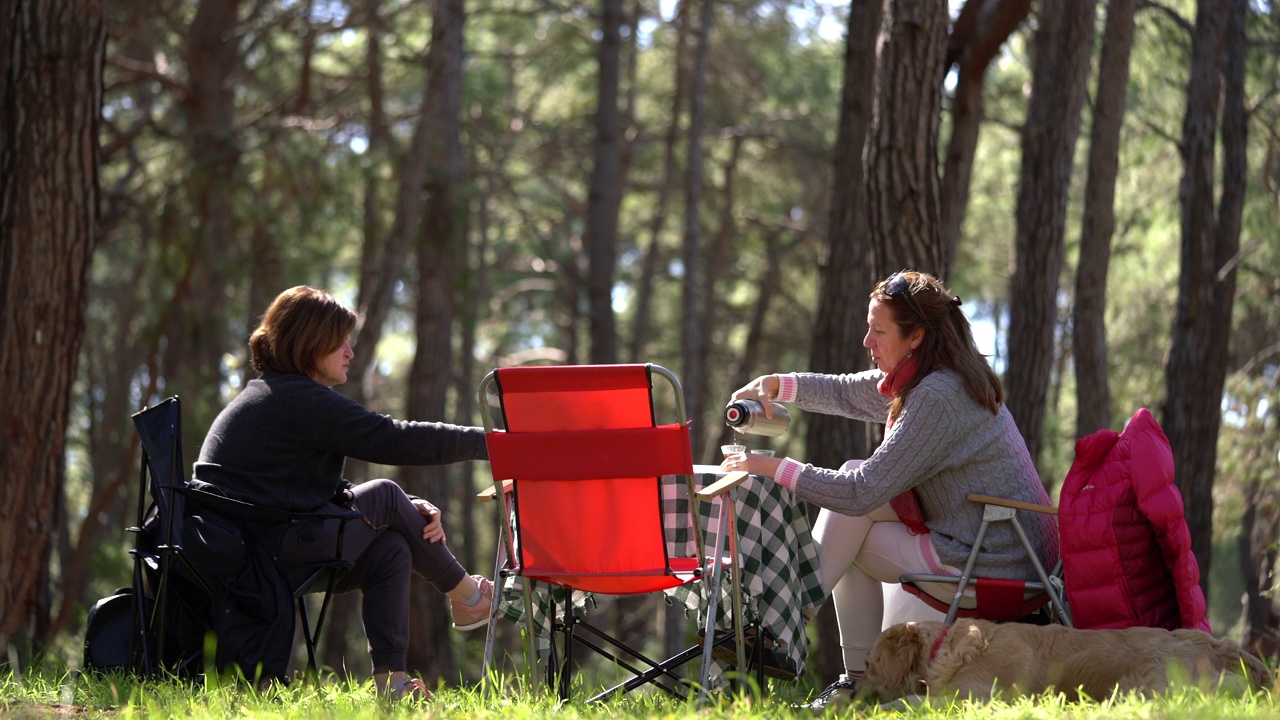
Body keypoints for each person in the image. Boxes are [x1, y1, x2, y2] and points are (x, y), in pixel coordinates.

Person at [719, 270, 1058, 711]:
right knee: (855, 495)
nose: (867, 341)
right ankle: (803, 638)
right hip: (996, 545)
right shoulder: (936, 376)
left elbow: (861, 493)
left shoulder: (937, 396)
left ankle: (801, 641)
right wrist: (778, 385)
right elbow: (849, 393)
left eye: (878, 331)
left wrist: (770, 466)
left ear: (915, 335)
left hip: (994, 563)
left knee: (855, 509)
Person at [192, 285, 492, 701]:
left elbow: (284, 486)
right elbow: (394, 439)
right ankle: (470, 597)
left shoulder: (272, 394)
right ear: (309, 344)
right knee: (386, 493)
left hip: (255, 547)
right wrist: (492, 443)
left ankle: (393, 685)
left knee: (391, 548)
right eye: (340, 343)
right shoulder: (298, 399)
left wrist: (402, 510)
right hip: (259, 553)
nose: (350, 352)